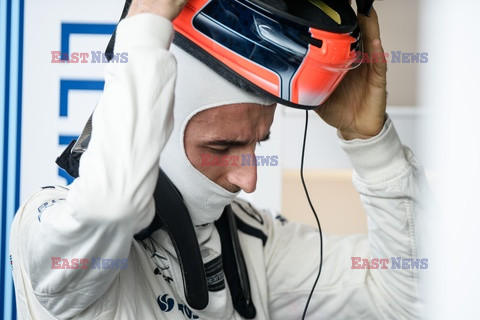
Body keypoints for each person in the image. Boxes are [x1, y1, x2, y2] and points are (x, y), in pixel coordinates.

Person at [10, 0, 428, 319]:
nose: (249, 180)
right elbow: (110, 206)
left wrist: (372, 145)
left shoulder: (250, 238)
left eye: (257, 144)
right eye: (221, 147)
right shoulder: (49, 230)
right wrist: (144, 29)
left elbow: (413, 296)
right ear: (157, 124)